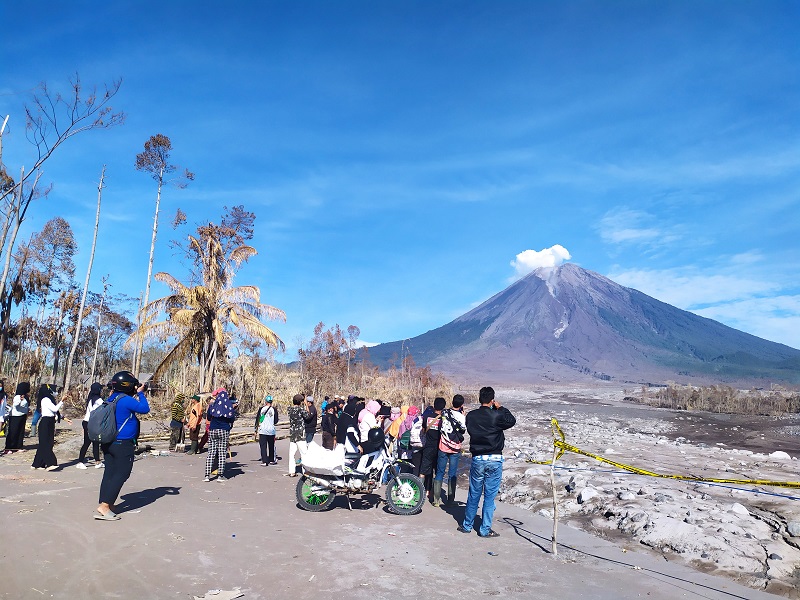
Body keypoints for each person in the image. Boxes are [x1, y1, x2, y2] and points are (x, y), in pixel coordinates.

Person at [458, 386, 516, 538]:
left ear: (479, 399)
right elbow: (511, 421)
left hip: (478, 458)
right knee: (489, 497)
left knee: (474, 494)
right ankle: (485, 529)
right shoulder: (496, 416)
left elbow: (470, 430)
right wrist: (501, 407)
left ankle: (467, 525)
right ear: (492, 400)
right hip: (494, 459)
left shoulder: (471, 416)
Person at [95, 371, 150, 521]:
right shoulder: (126, 400)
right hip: (122, 443)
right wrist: (141, 393)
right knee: (122, 473)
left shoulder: (112, 398)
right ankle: (105, 506)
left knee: (110, 473)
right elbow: (145, 409)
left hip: (109, 442)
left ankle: (106, 503)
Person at [434, 394, 466, 506]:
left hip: (443, 446)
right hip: (455, 448)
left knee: (440, 472)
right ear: (461, 405)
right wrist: (463, 415)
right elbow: (462, 431)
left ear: (452, 402)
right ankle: (450, 500)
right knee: (452, 473)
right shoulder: (462, 417)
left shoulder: (444, 413)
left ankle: (436, 499)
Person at [31, 384, 70, 471]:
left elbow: (54, 413)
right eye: (54, 390)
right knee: (46, 444)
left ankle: (37, 464)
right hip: (45, 423)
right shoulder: (45, 399)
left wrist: (64, 418)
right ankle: (51, 463)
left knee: (45, 443)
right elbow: (55, 409)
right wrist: (62, 401)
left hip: (50, 422)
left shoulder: (50, 399)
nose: (55, 392)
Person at [204, 388, 237, 482]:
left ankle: (207, 475)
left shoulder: (213, 405)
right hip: (224, 430)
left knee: (211, 452)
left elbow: (209, 417)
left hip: (213, 429)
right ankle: (220, 475)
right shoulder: (229, 406)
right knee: (222, 453)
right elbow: (232, 419)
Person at [420, 397, 446, 502]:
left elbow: (422, 430)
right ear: (443, 407)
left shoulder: (426, 417)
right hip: (439, 448)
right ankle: (433, 495)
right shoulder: (443, 419)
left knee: (424, 470)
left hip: (428, 447)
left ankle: (420, 493)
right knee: (437, 471)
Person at [76, 383, 104, 468]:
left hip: (88, 422)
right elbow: (106, 408)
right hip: (90, 422)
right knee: (88, 442)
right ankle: (80, 462)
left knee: (96, 442)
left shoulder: (91, 398)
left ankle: (97, 461)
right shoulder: (99, 400)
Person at [285, 394, 310, 476]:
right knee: (304, 453)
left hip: (292, 433)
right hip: (300, 433)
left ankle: (291, 471)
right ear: (300, 402)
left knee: (292, 454)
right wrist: (306, 404)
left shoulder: (290, 409)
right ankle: (306, 471)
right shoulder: (301, 410)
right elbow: (308, 416)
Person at [4, 382, 31, 453]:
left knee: (20, 431)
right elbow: (15, 405)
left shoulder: (26, 397)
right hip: (15, 416)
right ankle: (9, 447)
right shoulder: (17, 396)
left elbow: (26, 406)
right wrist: (20, 400)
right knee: (13, 432)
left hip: (23, 415)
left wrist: (28, 410)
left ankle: (18, 446)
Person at [255, 395, 277, 465]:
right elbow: (275, 421)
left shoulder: (261, 409)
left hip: (262, 430)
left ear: (265, 401)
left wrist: (255, 430)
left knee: (263, 446)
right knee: (271, 445)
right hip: (271, 430)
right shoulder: (274, 409)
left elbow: (258, 420)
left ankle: (264, 461)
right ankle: (271, 459)